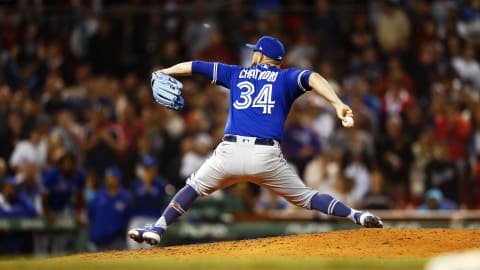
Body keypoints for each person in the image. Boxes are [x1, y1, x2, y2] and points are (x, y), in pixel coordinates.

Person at [129, 35, 383, 246]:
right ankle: (356, 215)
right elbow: (314, 78)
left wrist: (164, 71)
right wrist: (338, 104)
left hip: (229, 152)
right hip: (266, 157)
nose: (252, 55)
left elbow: (195, 65)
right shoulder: (286, 77)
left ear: (261, 56)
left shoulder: (237, 74)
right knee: (307, 197)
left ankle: (158, 228)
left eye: (254, 52)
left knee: (193, 188)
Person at [87, 166, 132, 251]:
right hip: (96, 242)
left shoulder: (125, 197)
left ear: (118, 178)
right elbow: (90, 214)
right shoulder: (98, 195)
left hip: (116, 242)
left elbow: (128, 219)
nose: (109, 180)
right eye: (107, 177)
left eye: (112, 177)